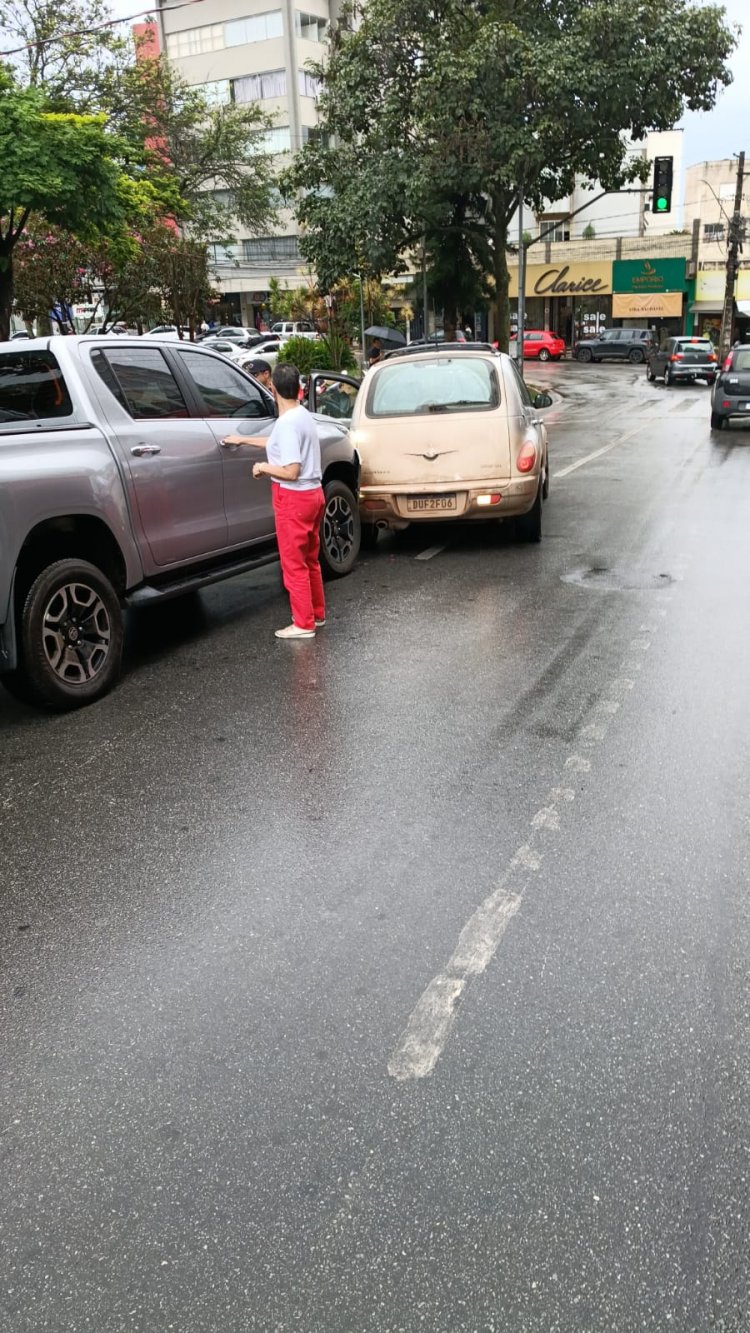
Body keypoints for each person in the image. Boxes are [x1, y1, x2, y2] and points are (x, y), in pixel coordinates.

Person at [222, 363, 326, 640]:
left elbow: (291, 471)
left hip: (294, 498)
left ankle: (303, 624)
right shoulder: (301, 415)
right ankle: (315, 613)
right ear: (298, 389)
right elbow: (278, 442)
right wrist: (243, 440)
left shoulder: (287, 423)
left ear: (273, 389)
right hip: (314, 494)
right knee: (310, 560)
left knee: (294, 564)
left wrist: (262, 468)